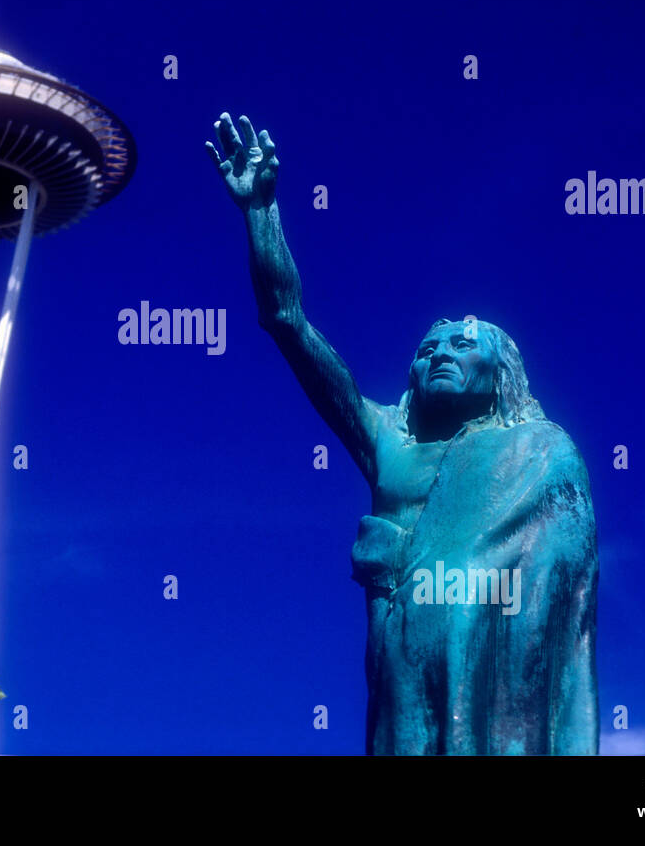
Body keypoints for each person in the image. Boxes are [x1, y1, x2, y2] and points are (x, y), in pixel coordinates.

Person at [207, 113, 598, 754]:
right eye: (427, 348)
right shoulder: (388, 438)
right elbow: (286, 321)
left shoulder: (545, 453)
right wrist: (261, 213)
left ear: (501, 371)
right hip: (400, 681)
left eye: (462, 344)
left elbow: (569, 618)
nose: (439, 353)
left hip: (506, 699)